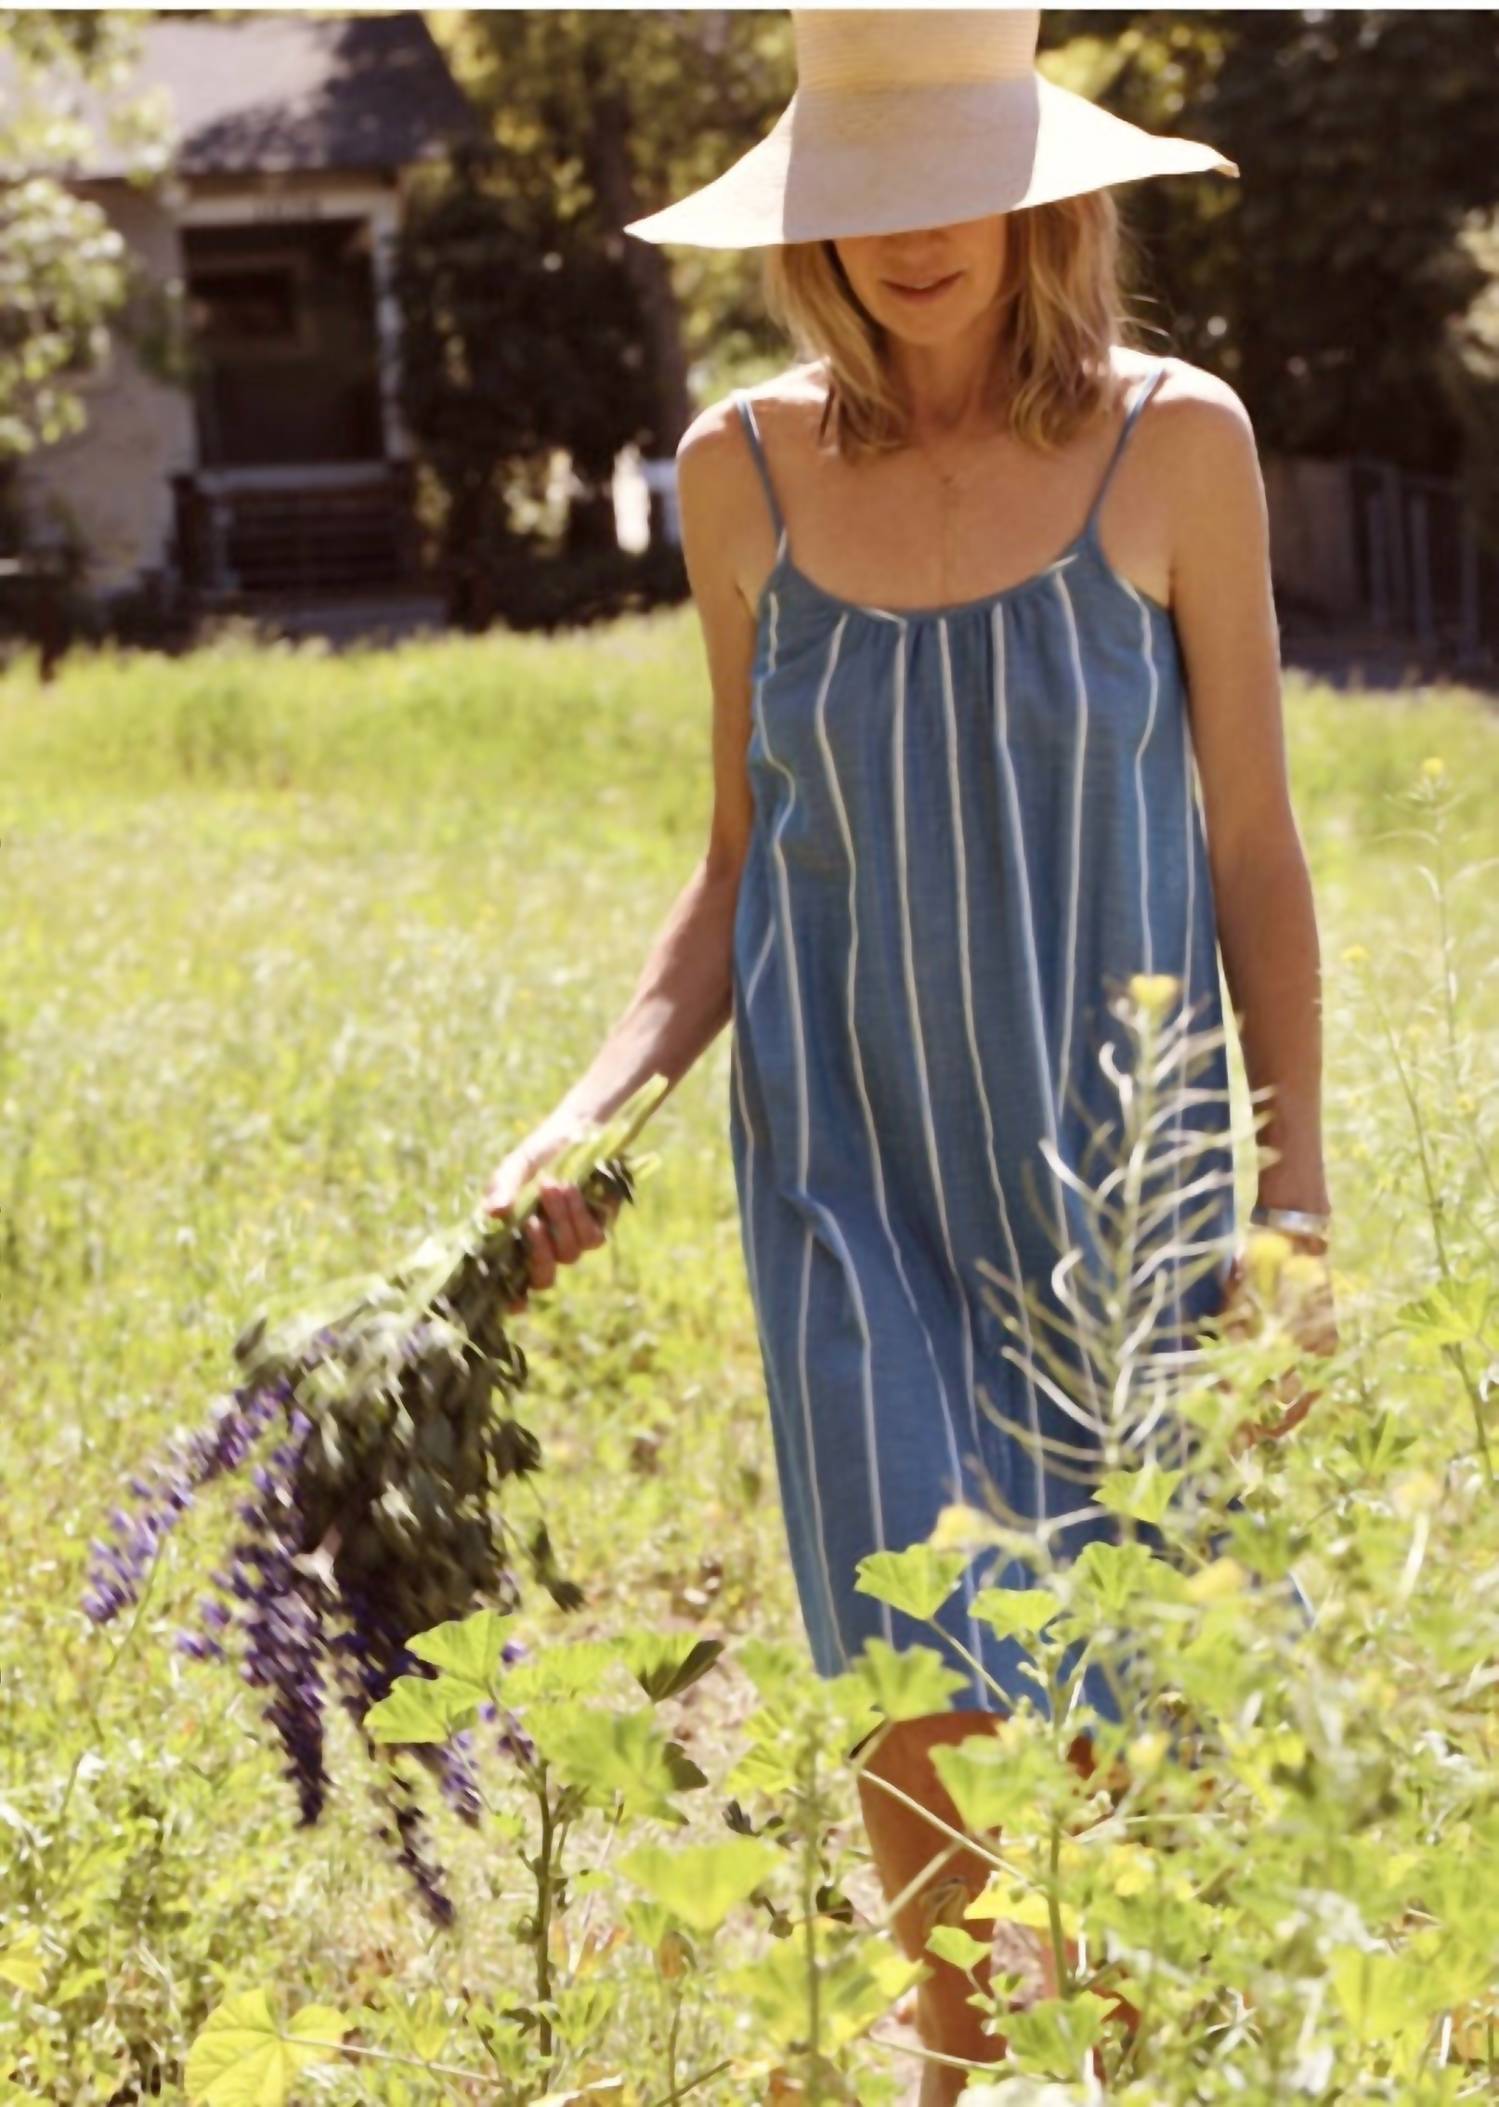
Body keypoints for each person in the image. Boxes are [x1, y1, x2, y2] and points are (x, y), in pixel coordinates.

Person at [484, 10, 1337, 2096]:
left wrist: (1295, 1198)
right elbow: (733, 870)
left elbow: (1253, 845)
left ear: (1044, 197)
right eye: (863, 193)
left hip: (1119, 1189)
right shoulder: (742, 472)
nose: (912, 236)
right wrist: (585, 1117)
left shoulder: (1179, 446)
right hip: (847, 1180)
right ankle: (957, 2069)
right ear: (807, 223)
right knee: (911, 1661)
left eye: (956, 180)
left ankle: (1102, 2066)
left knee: (1115, 1709)